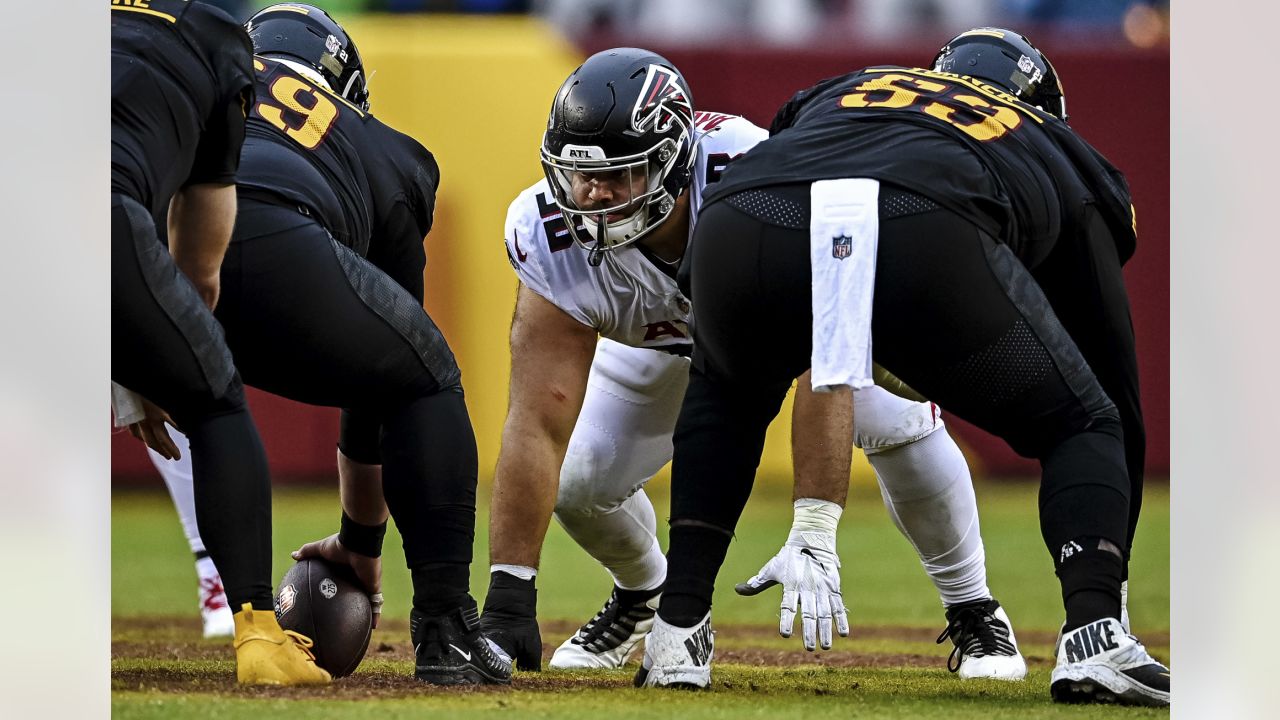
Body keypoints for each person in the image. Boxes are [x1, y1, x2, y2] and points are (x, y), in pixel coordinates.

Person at [637, 28, 1169, 707]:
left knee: (726, 394)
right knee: (1087, 418)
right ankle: (1095, 635)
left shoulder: (855, 83)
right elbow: (1111, 380)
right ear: (1040, 104)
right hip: (924, 227)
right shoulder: (1059, 147)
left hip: (747, 213)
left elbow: (792, 137)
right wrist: (1106, 568)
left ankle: (677, 632)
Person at [477, 47, 1025, 681]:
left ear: (673, 164)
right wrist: (510, 589)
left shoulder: (754, 175)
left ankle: (975, 609)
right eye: (580, 175)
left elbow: (820, 354)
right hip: (664, 350)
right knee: (580, 485)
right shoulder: (547, 229)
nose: (594, 196)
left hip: (789, 331)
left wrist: (815, 527)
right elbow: (538, 417)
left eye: (620, 176)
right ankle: (643, 593)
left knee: (899, 422)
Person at [128, 3, 511, 686]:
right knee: (427, 375)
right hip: (275, 244)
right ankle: (446, 625)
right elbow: (393, 378)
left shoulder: (199, 72)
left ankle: (242, 616)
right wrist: (362, 541)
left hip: (147, 243)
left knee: (214, 408)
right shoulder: (386, 149)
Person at [111, 0, 328, 685]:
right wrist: (153, 362)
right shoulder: (218, 40)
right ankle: (258, 634)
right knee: (214, 398)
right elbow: (199, 271)